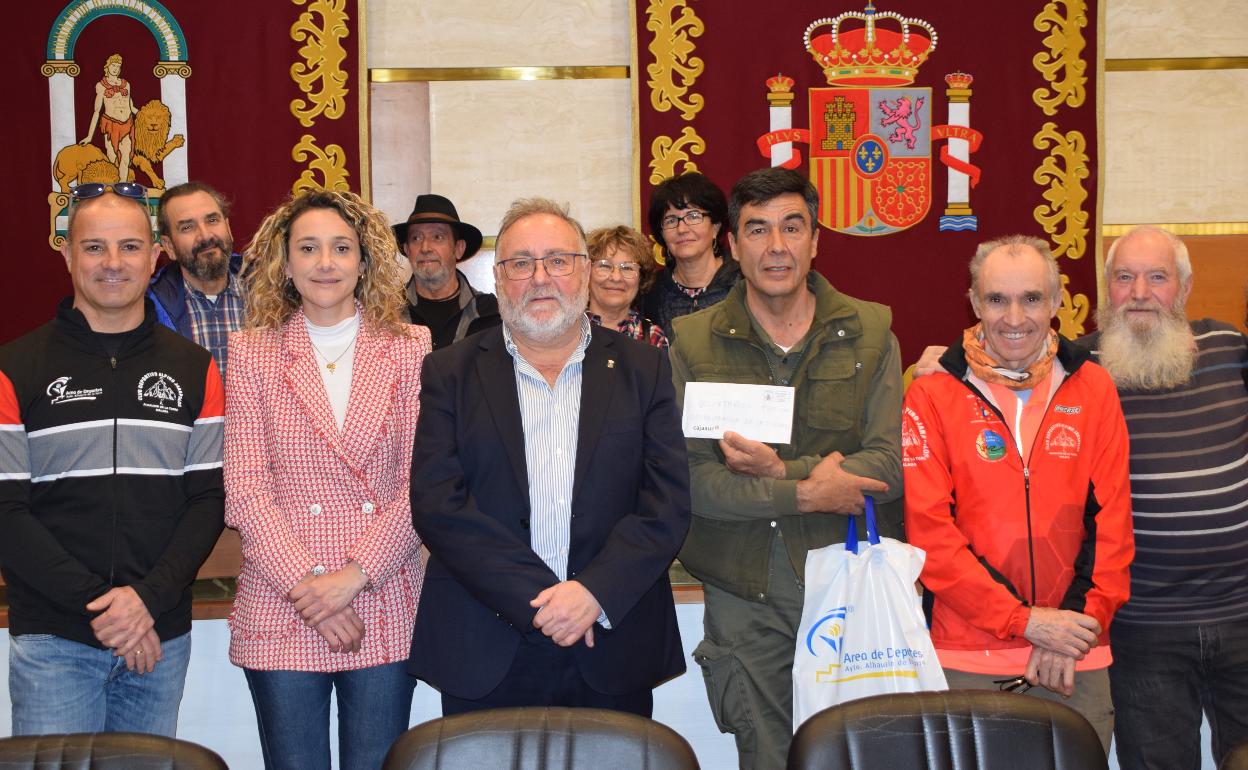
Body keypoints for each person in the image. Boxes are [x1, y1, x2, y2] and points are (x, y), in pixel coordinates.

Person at [409, 197, 690, 717]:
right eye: (521, 264)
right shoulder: (449, 371)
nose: (540, 278)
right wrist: (543, 600)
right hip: (485, 639)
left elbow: (666, 504)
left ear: (584, 271)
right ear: (497, 276)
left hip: (610, 636)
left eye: (558, 260)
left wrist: (591, 594)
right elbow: (438, 505)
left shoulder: (644, 368)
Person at [669, 167, 904, 770]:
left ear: (816, 239)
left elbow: (885, 465)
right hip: (744, 594)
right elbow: (692, 481)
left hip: (849, 584)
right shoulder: (693, 343)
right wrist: (802, 490)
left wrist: (778, 470)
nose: (776, 247)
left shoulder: (871, 331)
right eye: (758, 230)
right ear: (733, 245)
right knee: (768, 758)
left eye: (792, 228)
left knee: (861, 755)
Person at [0, 182, 224, 736]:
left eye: (129, 247)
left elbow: (207, 499)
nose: (113, 263)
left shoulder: (196, 369)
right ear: (67, 253)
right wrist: (106, 607)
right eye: (95, 247)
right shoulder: (14, 367)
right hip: (54, 640)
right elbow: (6, 510)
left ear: (155, 256)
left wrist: (146, 601)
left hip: (159, 636)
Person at [902, 235, 1134, 753]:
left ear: (1055, 302)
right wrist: (1027, 623)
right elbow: (930, 535)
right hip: (967, 655)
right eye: (996, 299)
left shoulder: (1094, 387)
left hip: (1077, 655)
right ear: (973, 302)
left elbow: (1112, 524)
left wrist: (1073, 628)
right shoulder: (932, 394)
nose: (1014, 317)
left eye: (1031, 298)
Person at [225, 189, 430, 770]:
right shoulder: (252, 352)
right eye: (308, 248)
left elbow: (421, 483)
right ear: (284, 264)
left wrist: (353, 578)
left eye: (341, 248)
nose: (325, 263)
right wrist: (312, 589)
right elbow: (245, 489)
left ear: (364, 261)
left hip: (382, 596)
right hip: (282, 601)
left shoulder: (410, 348)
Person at [1084, 226, 1248, 769]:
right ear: (1107, 287)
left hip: (1243, 612)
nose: (1139, 292)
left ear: (1183, 287)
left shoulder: (1229, 347)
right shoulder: (1076, 367)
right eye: (1124, 277)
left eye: (1157, 277)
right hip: (1142, 625)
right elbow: (998, 363)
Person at [149, 181, 244, 376]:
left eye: (212, 220)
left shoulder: (269, 291)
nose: (205, 235)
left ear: (228, 228)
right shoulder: (148, 308)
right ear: (168, 246)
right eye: (187, 227)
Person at [640, 171, 739, 343]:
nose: (682, 229)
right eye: (671, 220)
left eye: (693, 216)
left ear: (715, 226)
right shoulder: (649, 293)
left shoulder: (745, 282)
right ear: (661, 234)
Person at [393, 193, 500, 349]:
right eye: (416, 238)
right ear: (407, 250)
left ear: (458, 248)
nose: (425, 248)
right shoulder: (387, 312)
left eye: (437, 237)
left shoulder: (487, 312)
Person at [585, 225, 668, 348]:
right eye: (605, 266)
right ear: (586, 273)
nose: (616, 277)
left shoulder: (654, 338)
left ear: (641, 278)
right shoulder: (566, 330)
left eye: (627, 268)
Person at [80, 54, 139, 181]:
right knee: (112, 158)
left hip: (127, 123)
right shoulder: (101, 86)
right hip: (110, 125)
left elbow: (131, 106)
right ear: (107, 66)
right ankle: (114, 186)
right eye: (113, 65)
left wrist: (144, 115)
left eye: (118, 66)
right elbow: (96, 111)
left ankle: (123, 186)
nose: (116, 69)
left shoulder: (126, 84)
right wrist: (90, 136)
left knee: (125, 157)